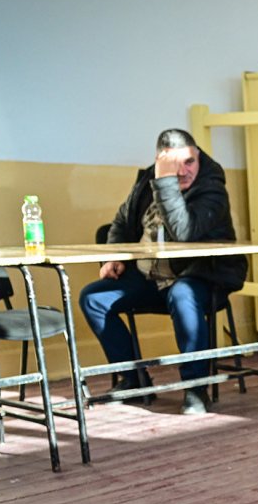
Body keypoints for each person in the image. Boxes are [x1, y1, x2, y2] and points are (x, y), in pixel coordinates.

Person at [79, 128, 246, 415]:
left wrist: (166, 181)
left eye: (190, 162)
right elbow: (120, 223)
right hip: (151, 278)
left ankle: (196, 387)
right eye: (174, 165)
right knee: (94, 298)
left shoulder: (212, 186)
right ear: (159, 162)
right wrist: (113, 256)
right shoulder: (147, 180)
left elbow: (184, 232)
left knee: (183, 294)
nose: (183, 171)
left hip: (202, 277)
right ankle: (134, 379)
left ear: (198, 157)